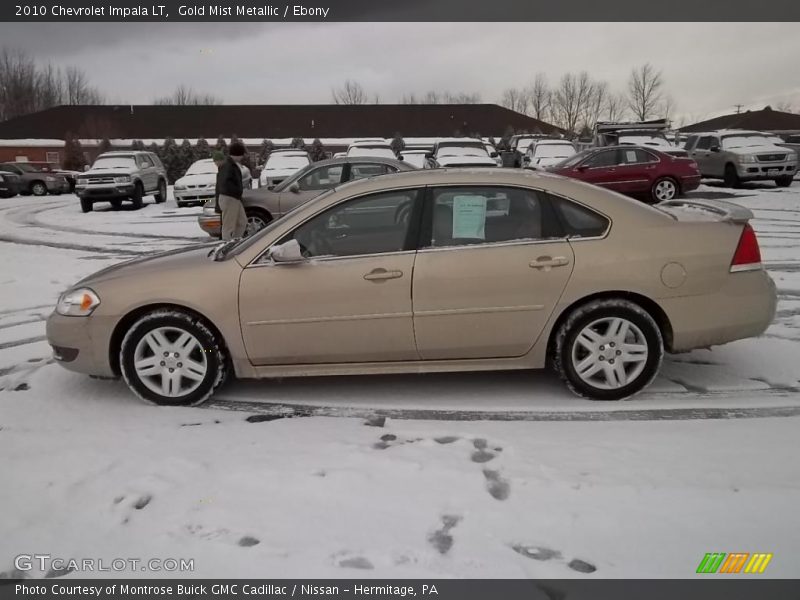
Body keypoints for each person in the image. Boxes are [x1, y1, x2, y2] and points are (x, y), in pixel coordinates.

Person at [214, 144, 247, 240]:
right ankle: (226, 246)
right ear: (237, 154)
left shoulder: (231, 164)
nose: (242, 157)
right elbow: (223, 183)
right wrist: (236, 191)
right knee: (228, 226)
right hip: (230, 198)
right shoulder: (228, 165)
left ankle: (235, 242)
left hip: (234, 198)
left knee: (242, 222)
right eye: (242, 154)